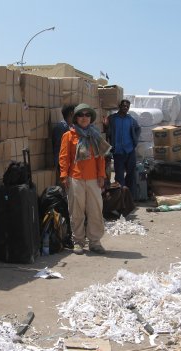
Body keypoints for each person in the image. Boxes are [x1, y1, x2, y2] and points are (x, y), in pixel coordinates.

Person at [59, 103, 111, 255]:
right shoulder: (68, 136)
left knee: (95, 211)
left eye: (87, 115)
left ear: (91, 118)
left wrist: (102, 176)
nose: (84, 118)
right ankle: (78, 242)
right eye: (81, 115)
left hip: (94, 179)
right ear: (75, 118)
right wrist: (64, 176)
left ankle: (95, 242)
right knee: (77, 212)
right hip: (75, 178)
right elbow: (64, 158)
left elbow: (100, 158)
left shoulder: (95, 135)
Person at [105, 99, 141, 199]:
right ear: (119, 106)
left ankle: (131, 198)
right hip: (118, 152)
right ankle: (120, 198)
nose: (125, 108)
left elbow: (138, 128)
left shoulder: (130, 119)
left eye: (127, 107)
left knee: (131, 174)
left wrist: (135, 141)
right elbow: (107, 129)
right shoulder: (112, 119)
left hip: (129, 151)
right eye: (124, 106)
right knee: (119, 176)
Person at [51, 104, 75, 176]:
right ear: (71, 114)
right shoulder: (60, 128)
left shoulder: (70, 127)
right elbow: (60, 149)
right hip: (63, 165)